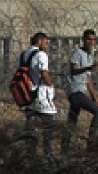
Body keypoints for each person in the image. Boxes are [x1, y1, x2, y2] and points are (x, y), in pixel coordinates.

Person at [63, 29, 98, 153]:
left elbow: (88, 79)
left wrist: (94, 96)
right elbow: (73, 70)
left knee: (72, 120)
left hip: (81, 91)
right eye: (88, 39)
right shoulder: (77, 53)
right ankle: (91, 142)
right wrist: (88, 68)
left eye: (93, 40)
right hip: (75, 91)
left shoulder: (90, 56)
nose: (91, 42)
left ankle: (64, 148)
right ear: (83, 40)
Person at [19, 32, 57, 164]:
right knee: (48, 126)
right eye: (46, 42)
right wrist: (51, 84)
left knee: (32, 126)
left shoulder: (25, 54)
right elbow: (44, 73)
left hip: (28, 95)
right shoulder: (41, 55)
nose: (46, 45)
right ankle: (48, 154)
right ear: (40, 42)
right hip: (41, 95)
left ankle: (30, 154)